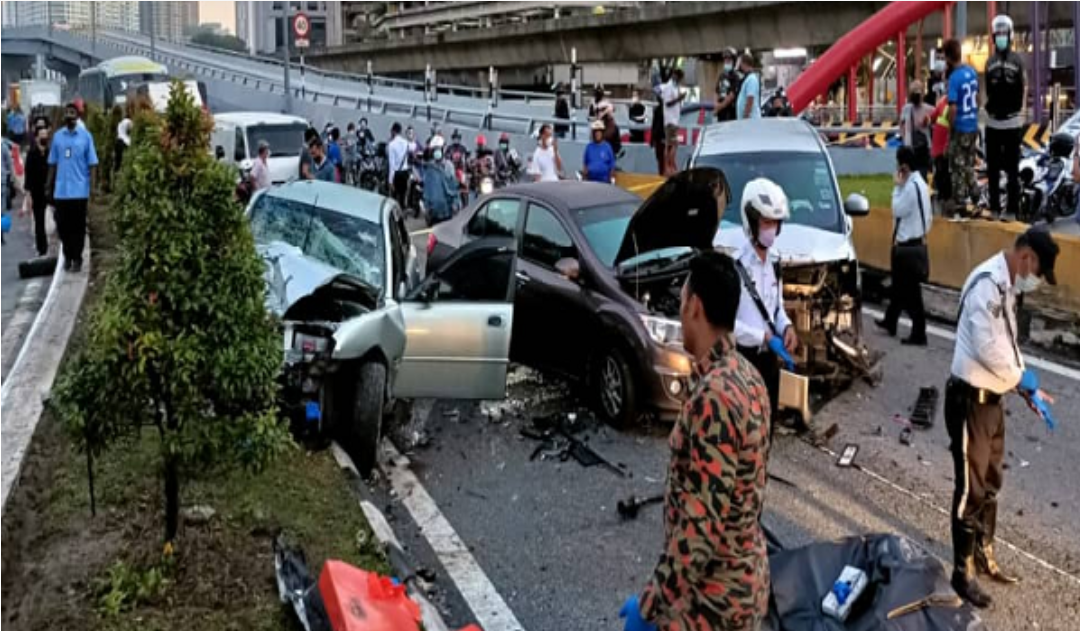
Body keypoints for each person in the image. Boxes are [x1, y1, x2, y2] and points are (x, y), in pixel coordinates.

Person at [621, 250, 771, 631]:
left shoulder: (714, 398)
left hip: (711, 604)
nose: (680, 310)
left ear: (695, 308)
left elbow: (700, 529)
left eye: (683, 300)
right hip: (740, 585)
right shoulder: (748, 376)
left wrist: (651, 605)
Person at [945, 227, 1058, 608]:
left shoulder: (1008, 286)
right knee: (971, 489)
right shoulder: (986, 285)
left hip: (992, 400)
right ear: (1026, 256)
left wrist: (1027, 388)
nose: (1037, 280)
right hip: (969, 403)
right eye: (1039, 271)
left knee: (991, 481)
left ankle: (983, 553)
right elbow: (989, 349)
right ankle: (962, 574)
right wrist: (1021, 378)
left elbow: (1009, 343)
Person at [732, 178, 798, 426]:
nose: (772, 229)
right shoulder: (735, 266)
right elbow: (729, 324)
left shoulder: (775, 264)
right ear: (751, 221)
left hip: (768, 362)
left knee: (766, 428)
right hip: (743, 360)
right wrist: (764, 337)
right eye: (766, 222)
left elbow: (776, 308)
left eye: (776, 223)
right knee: (744, 428)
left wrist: (787, 327)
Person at [875, 146, 933, 346]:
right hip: (913, 244)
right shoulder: (921, 184)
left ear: (904, 166)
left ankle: (919, 333)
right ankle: (891, 321)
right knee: (899, 287)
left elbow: (896, 210)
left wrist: (897, 187)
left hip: (907, 248)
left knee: (911, 294)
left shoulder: (908, 187)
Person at [46, 102, 98, 272]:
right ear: (64, 116)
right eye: (67, 112)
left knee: (78, 227)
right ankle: (67, 255)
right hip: (61, 191)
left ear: (77, 116)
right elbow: (53, 163)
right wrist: (48, 185)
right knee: (63, 226)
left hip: (79, 191)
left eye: (73, 112)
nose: (69, 115)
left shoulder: (85, 137)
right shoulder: (58, 137)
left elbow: (92, 164)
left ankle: (77, 258)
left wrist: (92, 188)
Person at [984, 15, 1026, 221]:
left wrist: (1021, 112)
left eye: (1004, 33)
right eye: (997, 33)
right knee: (992, 169)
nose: (1001, 37)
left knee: (1012, 170)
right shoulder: (989, 62)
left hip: (1012, 122)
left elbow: (1022, 89)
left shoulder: (1017, 61)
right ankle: (993, 208)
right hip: (992, 122)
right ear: (993, 36)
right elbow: (988, 90)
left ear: (1010, 35)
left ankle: (1012, 209)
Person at [945, 38, 980, 218]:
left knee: (958, 165)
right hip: (973, 123)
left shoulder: (954, 78)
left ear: (948, 58)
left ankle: (960, 199)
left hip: (960, 126)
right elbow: (978, 98)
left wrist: (952, 126)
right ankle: (975, 193)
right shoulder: (972, 72)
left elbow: (952, 107)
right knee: (969, 162)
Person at [24, 125, 51, 256]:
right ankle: (42, 248)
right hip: (37, 192)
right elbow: (28, 176)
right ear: (36, 137)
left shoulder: (51, 153)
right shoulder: (31, 154)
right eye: (42, 134)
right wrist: (28, 195)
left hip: (50, 191)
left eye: (46, 134)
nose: (44, 137)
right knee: (39, 221)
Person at [900, 80, 934, 180]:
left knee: (918, 177)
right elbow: (901, 125)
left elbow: (901, 125)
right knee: (916, 178)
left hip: (919, 148)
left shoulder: (929, 109)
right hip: (915, 148)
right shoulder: (929, 109)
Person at [422, 135, 459, 225]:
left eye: (438, 149)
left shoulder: (449, 166)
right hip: (434, 213)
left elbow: (454, 187)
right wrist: (427, 208)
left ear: (443, 150)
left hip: (447, 210)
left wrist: (455, 204)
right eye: (435, 150)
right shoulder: (429, 168)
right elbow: (427, 191)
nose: (437, 152)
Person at [659, 68, 686, 176]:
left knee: (672, 144)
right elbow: (667, 103)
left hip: (675, 120)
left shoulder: (675, 87)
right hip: (670, 120)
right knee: (671, 145)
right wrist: (679, 98)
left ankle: (670, 166)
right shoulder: (668, 87)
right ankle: (668, 168)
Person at [930, 90, 952, 208]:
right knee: (940, 172)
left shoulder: (949, 103)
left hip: (944, 145)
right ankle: (943, 198)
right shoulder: (943, 101)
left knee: (943, 172)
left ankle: (945, 199)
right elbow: (933, 116)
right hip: (939, 144)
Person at [387, 122, 411, 210]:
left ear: (393, 131)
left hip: (396, 174)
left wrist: (390, 181)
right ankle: (402, 212)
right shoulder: (406, 143)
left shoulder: (391, 145)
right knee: (402, 195)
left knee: (394, 197)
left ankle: (395, 216)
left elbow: (391, 164)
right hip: (405, 173)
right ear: (400, 131)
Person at [715, 47, 742, 123]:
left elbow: (732, 95)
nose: (726, 61)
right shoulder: (722, 75)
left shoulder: (735, 76)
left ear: (734, 61)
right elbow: (717, 91)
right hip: (720, 113)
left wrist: (720, 107)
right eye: (725, 59)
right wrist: (716, 104)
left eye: (729, 59)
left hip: (730, 112)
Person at [737, 53, 762, 121]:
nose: (740, 66)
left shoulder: (751, 79)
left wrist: (745, 117)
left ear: (744, 63)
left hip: (751, 120)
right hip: (748, 120)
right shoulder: (747, 78)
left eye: (741, 63)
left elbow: (750, 99)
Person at [650, 92, 666, 176]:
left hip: (663, 136)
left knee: (663, 158)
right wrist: (652, 139)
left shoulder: (666, 110)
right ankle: (661, 173)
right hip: (658, 136)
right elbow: (654, 124)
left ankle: (663, 173)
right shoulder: (657, 110)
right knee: (660, 158)